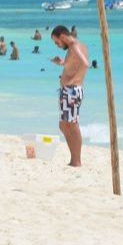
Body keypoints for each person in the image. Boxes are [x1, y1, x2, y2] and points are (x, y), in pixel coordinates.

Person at [50, 24, 88, 167]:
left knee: (71, 125)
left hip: (71, 90)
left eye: (56, 41)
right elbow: (76, 63)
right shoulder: (77, 46)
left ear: (63, 36)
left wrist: (73, 81)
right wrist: (63, 63)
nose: (57, 45)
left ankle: (76, 160)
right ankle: (74, 158)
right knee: (64, 125)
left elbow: (85, 64)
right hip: (69, 91)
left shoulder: (74, 46)